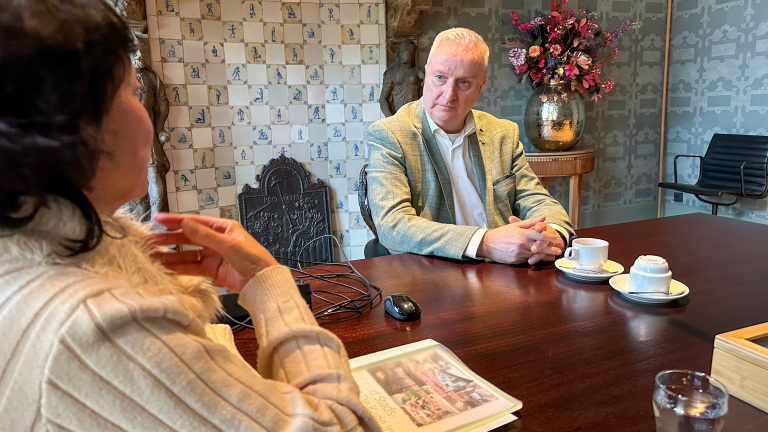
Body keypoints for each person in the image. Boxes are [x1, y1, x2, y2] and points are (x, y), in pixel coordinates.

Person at [0, 1, 379, 430]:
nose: (149, 117)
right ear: (72, 125)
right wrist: (270, 282)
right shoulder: (100, 326)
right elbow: (340, 424)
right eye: (132, 92)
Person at [366, 28, 575, 265]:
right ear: (426, 73)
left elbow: (538, 200)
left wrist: (552, 235)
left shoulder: (503, 134)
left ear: (480, 87)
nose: (448, 95)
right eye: (440, 77)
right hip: (436, 275)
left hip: (506, 273)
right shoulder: (390, 135)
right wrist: (485, 242)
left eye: (463, 82)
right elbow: (393, 225)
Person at [379, 39, 424, 117]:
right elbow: (383, 99)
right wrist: (390, 117)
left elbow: (429, 95)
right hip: (397, 115)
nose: (401, 54)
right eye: (400, 52)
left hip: (415, 115)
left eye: (404, 51)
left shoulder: (419, 74)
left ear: (412, 53)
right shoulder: (391, 74)